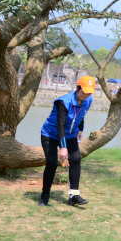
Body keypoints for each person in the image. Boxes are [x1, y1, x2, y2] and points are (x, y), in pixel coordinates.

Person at [39, 75, 96, 206]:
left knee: (76, 159)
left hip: (70, 134)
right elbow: (61, 125)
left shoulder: (88, 100)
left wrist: (80, 129)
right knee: (52, 163)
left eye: (89, 93)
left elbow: (81, 115)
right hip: (50, 134)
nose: (86, 95)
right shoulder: (64, 102)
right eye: (84, 92)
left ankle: (74, 196)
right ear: (78, 88)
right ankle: (44, 196)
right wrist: (63, 147)